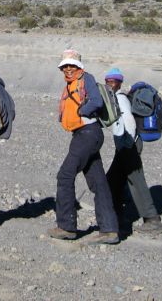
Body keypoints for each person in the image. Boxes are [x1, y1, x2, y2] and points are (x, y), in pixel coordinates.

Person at [47, 49, 120, 244]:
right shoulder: (72, 83)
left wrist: (81, 111)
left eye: (72, 66)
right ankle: (109, 229)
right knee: (98, 181)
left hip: (87, 134)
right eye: (65, 66)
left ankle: (66, 227)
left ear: (78, 67)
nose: (68, 69)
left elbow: (95, 101)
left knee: (65, 175)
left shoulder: (86, 79)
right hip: (86, 134)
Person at [104, 67, 162, 234]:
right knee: (113, 181)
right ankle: (117, 217)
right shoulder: (115, 97)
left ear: (119, 82)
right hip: (126, 145)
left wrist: (127, 143)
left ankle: (153, 220)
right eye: (108, 81)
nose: (110, 83)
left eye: (113, 81)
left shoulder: (120, 98)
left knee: (136, 181)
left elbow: (128, 122)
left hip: (129, 144)